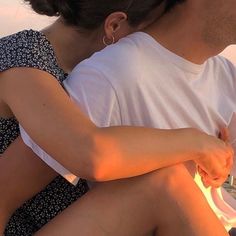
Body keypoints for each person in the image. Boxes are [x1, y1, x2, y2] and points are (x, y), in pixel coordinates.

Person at [0, 0, 232, 235]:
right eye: (150, 27)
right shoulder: (23, 59)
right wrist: (196, 143)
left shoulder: (83, 72)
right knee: (165, 184)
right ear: (114, 25)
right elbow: (89, 151)